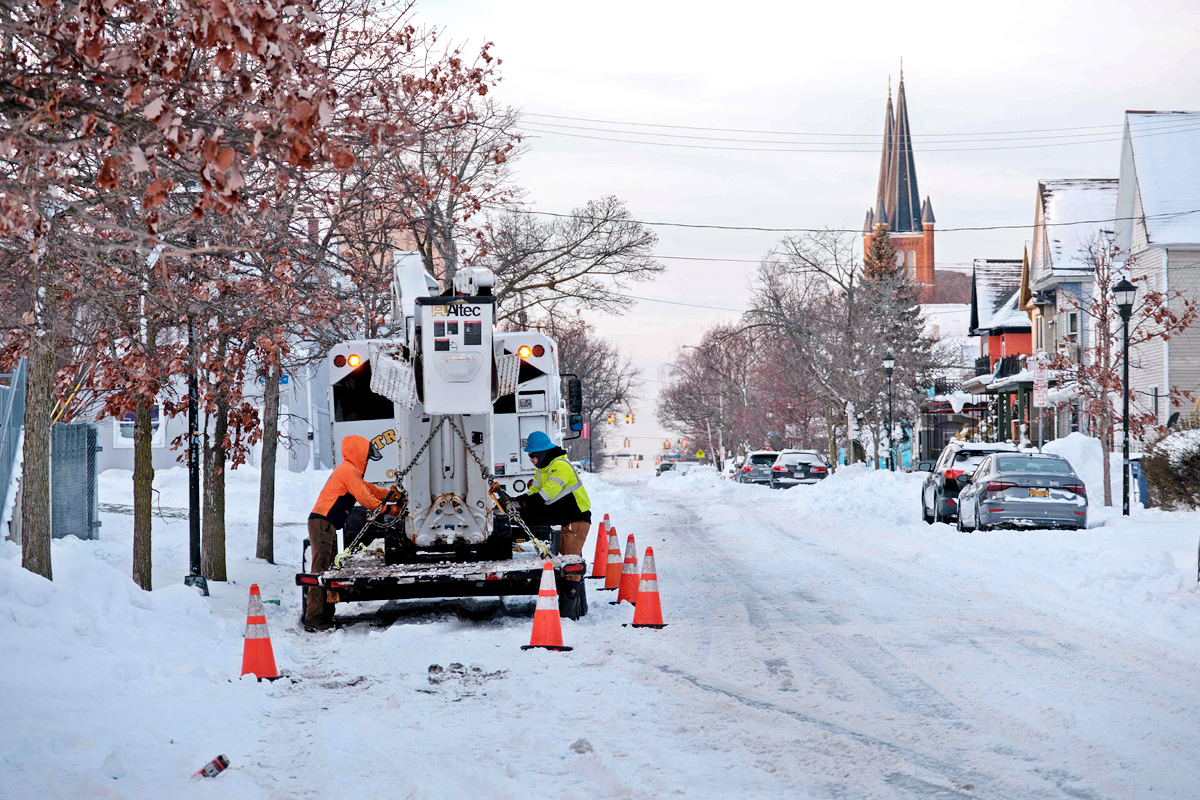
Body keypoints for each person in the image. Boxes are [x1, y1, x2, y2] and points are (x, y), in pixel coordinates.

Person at [305, 435, 399, 631]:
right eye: (366, 457)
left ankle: (325, 614)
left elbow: (371, 489)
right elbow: (366, 499)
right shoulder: (348, 471)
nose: (366, 462)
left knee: (327, 570)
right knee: (320, 570)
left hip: (325, 523)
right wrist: (390, 509)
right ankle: (314, 617)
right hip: (322, 522)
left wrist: (392, 494)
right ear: (360, 454)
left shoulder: (351, 472)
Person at [509, 431, 591, 614]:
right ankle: (572, 603)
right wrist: (518, 501)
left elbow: (547, 494)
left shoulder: (560, 466)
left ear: (542, 453)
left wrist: (523, 504)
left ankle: (571, 611)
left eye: (532, 455)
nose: (530, 459)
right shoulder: (542, 470)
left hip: (576, 521)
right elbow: (534, 491)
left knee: (571, 562)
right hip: (564, 521)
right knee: (564, 562)